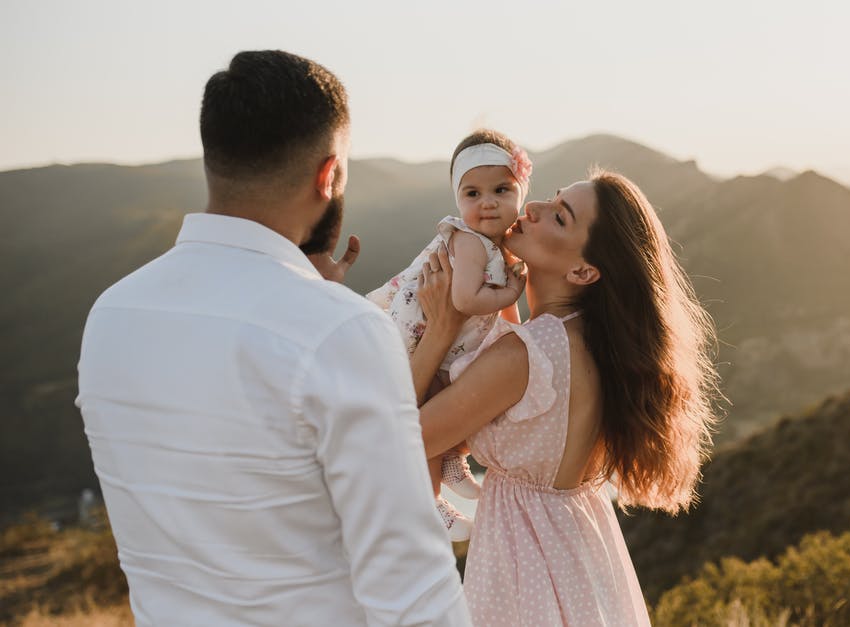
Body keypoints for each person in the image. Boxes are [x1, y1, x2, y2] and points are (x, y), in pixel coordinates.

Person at [75, 50, 470, 626]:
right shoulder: (337, 328)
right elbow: (411, 589)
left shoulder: (110, 314)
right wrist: (321, 310)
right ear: (328, 174)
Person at [412, 170, 721, 625]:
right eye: (552, 199)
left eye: (559, 217)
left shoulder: (524, 355)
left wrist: (438, 332)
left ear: (582, 270)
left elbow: (404, 439)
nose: (532, 209)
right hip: (582, 551)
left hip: (523, 562)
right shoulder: (593, 343)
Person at [365, 129, 530, 541]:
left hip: (436, 341)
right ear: (458, 200)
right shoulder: (471, 243)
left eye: (501, 190)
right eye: (472, 193)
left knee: (448, 401)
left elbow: (498, 317)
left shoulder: (495, 246)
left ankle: (452, 460)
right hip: (415, 337)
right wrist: (512, 291)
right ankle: (429, 498)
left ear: (520, 194)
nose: (487, 202)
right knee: (433, 407)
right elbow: (466, 298)